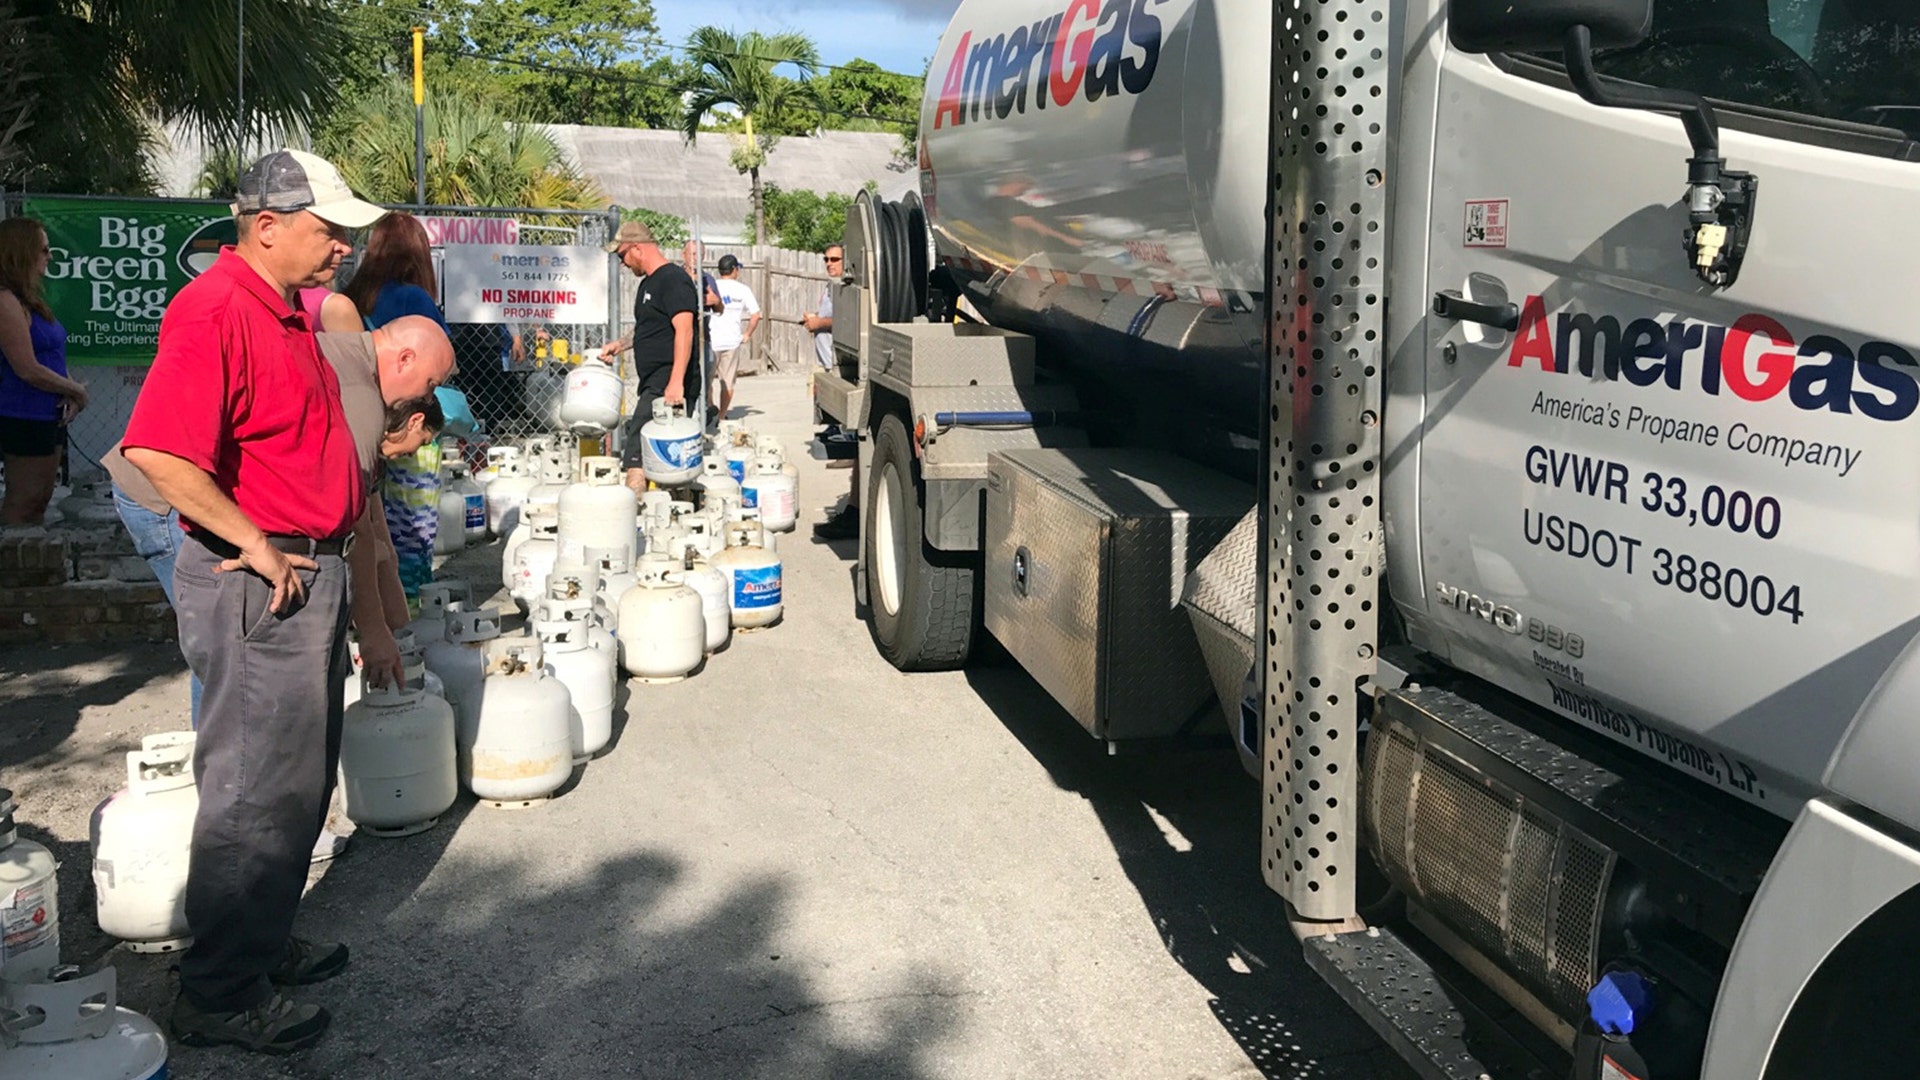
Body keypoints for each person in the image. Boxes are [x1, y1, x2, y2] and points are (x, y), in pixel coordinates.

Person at [119, 148, 388, 1054]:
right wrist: (256, 542)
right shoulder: (217, 309)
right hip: (264, 582)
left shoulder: (280, 307)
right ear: (266, 226)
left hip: (304, 572)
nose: (344, 247)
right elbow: (157, 452)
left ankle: (257, 944)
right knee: (252, 791)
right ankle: (221, 992)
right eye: (329, 230)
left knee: (296, 781)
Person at [105, 317, 457, 735]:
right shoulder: (360, 397)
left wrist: (387, 614)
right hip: (167, 494)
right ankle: (223, 759)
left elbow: (370, 520)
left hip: (204, 486)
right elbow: (356, 529)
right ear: (404, 359)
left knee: (240, 643)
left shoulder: (355, 370)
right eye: (430, 385)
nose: (425, 397)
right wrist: (375, 633)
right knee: (225, 645)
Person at [346, 212, 450, 598]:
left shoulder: (353, 296)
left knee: (372, 514)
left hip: (369, 419)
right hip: (411, 426)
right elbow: (440, 357)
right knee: (413, 526)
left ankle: (368, 598)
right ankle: (408, 602)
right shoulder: (414, 297)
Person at [0, 218, 88, 525]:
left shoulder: (31, 300)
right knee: (23, 500)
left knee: (40, 499)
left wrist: (70, 391)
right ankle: (11, 552)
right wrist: (76, 391)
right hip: (23, 414)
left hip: (50, 413)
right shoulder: (5, 301)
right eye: (44, 250)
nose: (49, 256)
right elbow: (27, 368)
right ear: (22, 252)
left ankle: (33, 553)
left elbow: (52, 354)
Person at [599, 220, 697, 495]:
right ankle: (661, 503)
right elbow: (647, 329)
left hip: (668, 378)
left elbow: (685, 330)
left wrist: (676, 381)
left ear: (637, 248)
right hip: (653, 379)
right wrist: (620, 344)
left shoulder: (673, 279)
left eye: (622, 256)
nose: (623, 264)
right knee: (656, 450)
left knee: (637, 452)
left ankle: (631, 507)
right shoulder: (647, 285)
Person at [809, 244, 863, 540]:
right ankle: (854, 509)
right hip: (830, 366)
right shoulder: (832, 287)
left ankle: (854, 511)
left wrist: (818, 323)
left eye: (835, 259)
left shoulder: (848, 290)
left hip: (843, 366)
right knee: (850, 441)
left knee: (857, 443)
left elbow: (847, 321)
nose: (829, 263)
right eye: (826, 259)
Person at [709, 253, 761, 424]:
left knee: (706, 381)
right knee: (728, 382)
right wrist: (747, 334)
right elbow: (756, 315)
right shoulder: (742, 290)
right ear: (734, 269)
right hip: (731, 341)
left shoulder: (711, 286)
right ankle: (721, 416)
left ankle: (710, 407)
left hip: (711, 340)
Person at [683, 240, 723, 425]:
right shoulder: (676, 277)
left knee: (704, 379)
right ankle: (684, 417)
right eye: (692, 254)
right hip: (681, 338)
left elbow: (720, 309)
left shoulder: (708, 280)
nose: (695, 258)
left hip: (703, 338)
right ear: (683, 255)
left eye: (700, 255)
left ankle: (702, 416)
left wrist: (716, 301)